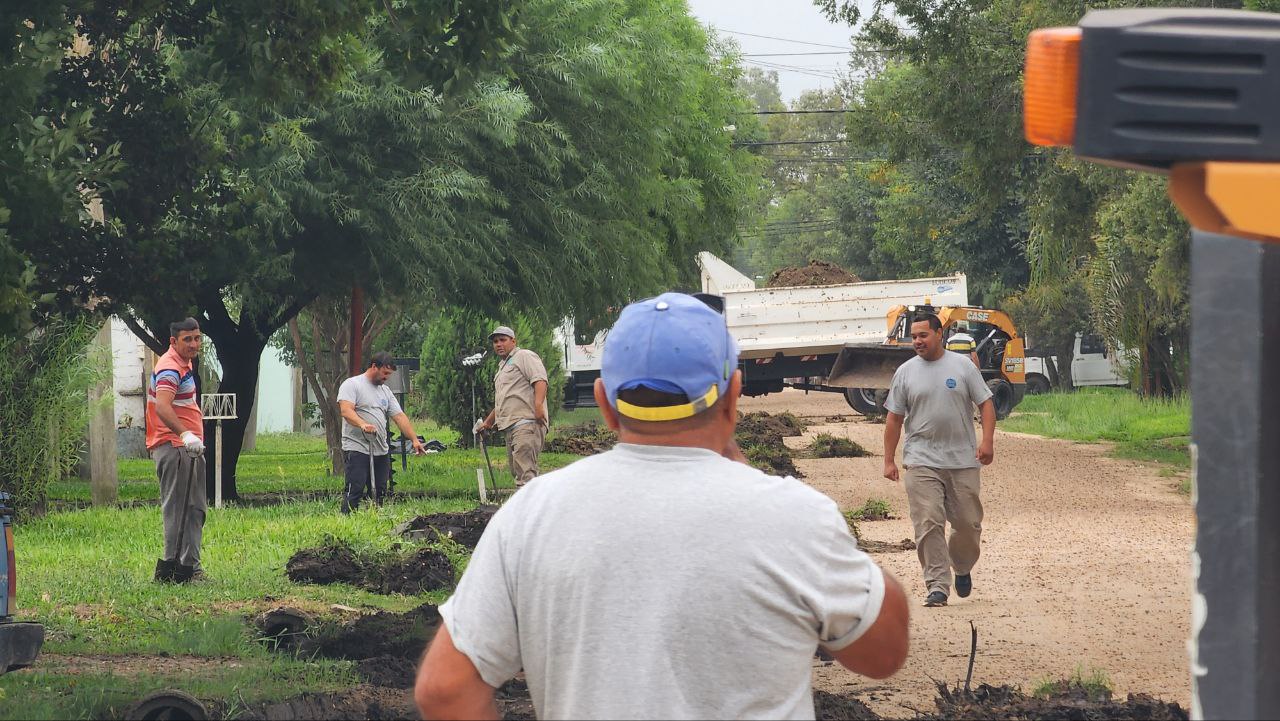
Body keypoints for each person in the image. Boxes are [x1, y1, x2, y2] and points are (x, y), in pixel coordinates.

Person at [416, 293, 910, 720]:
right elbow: (883, 651)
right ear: (734, 395)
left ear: (605, 402)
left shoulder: (531, 514)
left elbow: (444, 689)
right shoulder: (792, 516)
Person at [883, 314, 996, 608]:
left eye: (923, 335)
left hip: (962, 460)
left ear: (939, 334)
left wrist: (987, 441)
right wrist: (889, 460)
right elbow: (894, 418)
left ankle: (962, 566)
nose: (917, 341)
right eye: (914, 337)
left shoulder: (963, 367)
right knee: (928, 522)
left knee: (968, 524)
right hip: (920, 459)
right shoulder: (905, 372)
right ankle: (937, 586)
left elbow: (986, 404)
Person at [147, 317, 207, 583]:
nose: (194, 344)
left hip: (186, 449)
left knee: (193, 508)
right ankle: (175, 569)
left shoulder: (184, 362)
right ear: (173, 341)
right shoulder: (171, 367)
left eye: (197, 338)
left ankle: (190, 567)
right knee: (179, 509)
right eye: (187, 339)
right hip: (176, 447)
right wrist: (185, 434)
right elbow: (162, 406)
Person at [337, 352, 426, 513]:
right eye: (385, 373)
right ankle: (346, 519)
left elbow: (399, 416)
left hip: (380, 449)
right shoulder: (352, 384)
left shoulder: (385, 391)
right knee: (355, 487)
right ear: (374, 367)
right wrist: (363, 424)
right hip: (357, 447)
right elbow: (346, 411)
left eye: (389, 374)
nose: (387, 377)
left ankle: (375, 518)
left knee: (380, 490)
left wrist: (414, 440)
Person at [475, 326, 548, 487]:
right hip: (511, 426)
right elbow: (505, 400)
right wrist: (488, 422)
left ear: (513, 341)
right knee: (518, 472)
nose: (498, 344)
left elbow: (540, 379)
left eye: (503, 340)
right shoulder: (504, 365)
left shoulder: (524, 356)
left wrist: (538, 405)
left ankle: (531, 504)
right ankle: (532, 502)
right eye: (495, 341)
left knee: (525, 474)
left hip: (527, 423)